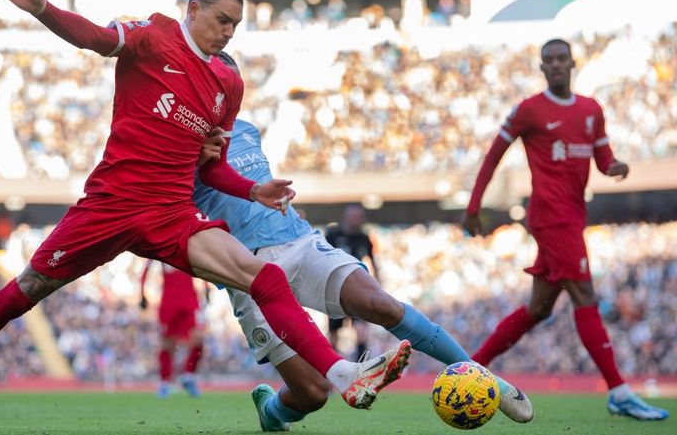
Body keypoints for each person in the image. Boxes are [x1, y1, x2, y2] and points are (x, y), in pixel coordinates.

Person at [0, 0, 408, 429]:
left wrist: (251, 188)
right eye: (223, 20)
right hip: (110, 205)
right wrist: (42, 7)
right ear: (194, 9)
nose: (229, 32)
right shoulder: (153, 35)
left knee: (263, 277)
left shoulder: (228, 82)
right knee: (27, 288)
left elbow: (212, 165)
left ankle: (343, 374)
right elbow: (92, 37)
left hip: (171, 213)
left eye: (236, 25)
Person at [192, 49, 533, 432]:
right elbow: (174, 209)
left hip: (298, 242)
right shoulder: (180, 143)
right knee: (313, 393)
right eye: (219, 83)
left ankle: (488, 380)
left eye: (233, 84)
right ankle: (272, 411)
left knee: (381, 305)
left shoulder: (248, 128)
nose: (228, 93)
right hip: (248, 268)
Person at [462, 38, 668, 421]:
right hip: (549, 217)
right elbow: (494, 155)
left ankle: (470, 365)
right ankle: (619, 392)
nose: (555, 65)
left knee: (538, 309)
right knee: (584, 293)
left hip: (574, 216)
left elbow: (603, 158)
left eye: (561, 59)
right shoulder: (529, 111)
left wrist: (615, 167)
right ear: (542, 68)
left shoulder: (591, 110)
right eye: (548, 61)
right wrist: (474, 207)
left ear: (572, 63)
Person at [139, 260, 206, 398]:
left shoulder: (190, 239)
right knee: (168, 344)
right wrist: (142, 292)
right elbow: (148, 265)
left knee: (198, 338)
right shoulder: (157, 241)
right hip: (169, 301)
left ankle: (188, 375)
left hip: (189, 298)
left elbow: (202, 262)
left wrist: (206, 286)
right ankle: (165, 382)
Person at [325, 204, 377, 362]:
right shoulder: (332, 236)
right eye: (353, 215)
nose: (356, 219)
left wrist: (377, 286)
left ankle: (361, 367)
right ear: (345, 217)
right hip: (336, 292)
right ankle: (331, 367)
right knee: (334, 333)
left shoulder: (364, 238)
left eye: (359, 216)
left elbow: (373, 263)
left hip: (357, 291)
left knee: (361, 330)